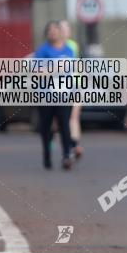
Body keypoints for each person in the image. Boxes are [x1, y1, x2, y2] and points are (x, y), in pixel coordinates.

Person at [35, 21, 76, 170]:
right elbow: (38, 73)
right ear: (46, 34)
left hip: (64, 95)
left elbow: (71, 72)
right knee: (46, 127)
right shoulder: (42, 51)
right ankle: (47, 154)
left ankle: (67, 155)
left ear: (60, 32)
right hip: (46, 96)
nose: (52, 32)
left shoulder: (69, 50)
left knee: (65, 125)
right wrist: (55, 68)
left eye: (55, 30)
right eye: (49, 30)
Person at [58, 20, 84, 159]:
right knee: (62, 120)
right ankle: (67, 146)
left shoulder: (73, 46)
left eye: (66, 29)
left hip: (75, 86)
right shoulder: (53, 47)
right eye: (61, 29)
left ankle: (75, 145)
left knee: (74, 116)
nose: (64, 32)